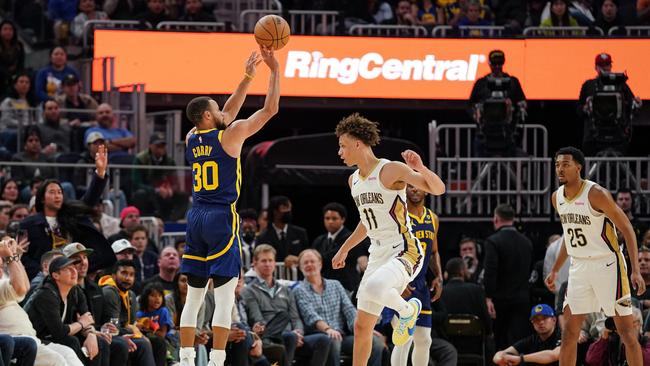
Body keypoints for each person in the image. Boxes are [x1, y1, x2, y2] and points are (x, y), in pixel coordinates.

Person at [178, 45, 279, 366]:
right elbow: (269, 111)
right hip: (221, 217)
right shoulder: (230, 136)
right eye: (216, 109)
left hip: (195, 216)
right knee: (223, 297)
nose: (223, 111)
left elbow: (226, 114)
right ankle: (217, 360)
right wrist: (274, 71)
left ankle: (185, 357)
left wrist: (248, 77)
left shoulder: (192, 136)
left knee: (193, 297)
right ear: (209, 115)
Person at [331, 113, 445, 366]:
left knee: (373, 287)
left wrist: (421, 168)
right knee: (362, 326)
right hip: (378, 254)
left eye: (343, 145)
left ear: (358, 143)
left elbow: (438, 189)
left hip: (404, 250)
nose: (340, 152)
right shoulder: (353, 180)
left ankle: (407, 310)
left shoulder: (390, 169)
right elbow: (366, 221)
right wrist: (344, 249)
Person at [545, 146, 646, 366]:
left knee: (627, 333)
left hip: (607, 265)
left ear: (579, 167)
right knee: (569, 332)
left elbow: (627, 228)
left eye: (565, 164)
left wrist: (636, 269)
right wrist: (554, 269)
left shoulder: (596, 194)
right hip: (579, 267)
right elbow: (569, 237)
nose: (560, 169)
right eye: (557, 165)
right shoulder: (557, 198)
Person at [20, 144, 114, 280]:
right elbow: (22, 255)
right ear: (41, 199)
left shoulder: (70, 216)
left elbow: (88, 201)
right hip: (41, 279)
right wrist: (42, 273)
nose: (57, 196)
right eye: (52, 192)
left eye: (60, 192)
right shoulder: (28, 224)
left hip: (71, 274)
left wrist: (100, 173)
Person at [242, 245, 331, 366]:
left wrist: (298, 332)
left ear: (274, 263)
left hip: (292, 335)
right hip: (269, 336)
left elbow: (295, 317)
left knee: (323, 339)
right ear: (254, 263)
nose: (267, 264)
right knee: (289, 334)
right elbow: (257, 318)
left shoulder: (285, 290)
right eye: (263, 261)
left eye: (270, 260)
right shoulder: (249, 290)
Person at [293, 249, 384, 366]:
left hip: (341, 336)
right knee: (333, 339)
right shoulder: (299, 290)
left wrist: (364, 329)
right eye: (305, 263)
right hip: (318, 336)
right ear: (300, 267)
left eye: (312, 261)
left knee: (374, 341)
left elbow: (349, 310)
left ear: (320, 263)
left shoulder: (335, 285)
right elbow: (310, 315)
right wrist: (327, 329)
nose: (309, 264)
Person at [391, 184, 443, 366]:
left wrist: (438, 276)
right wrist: (397, 281)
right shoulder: (398, 214)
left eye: (418, 186)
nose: (414, 189)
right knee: (404, 338)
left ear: (427, 190)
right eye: (410, 186)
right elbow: (388, 250)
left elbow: (433, 251)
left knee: (424, 339)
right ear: (404, 189)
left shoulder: (433, 218)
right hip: (400, 283)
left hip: (421, 285)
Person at [26, 255, 109, 365]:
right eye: (68, 269)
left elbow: (87, 317)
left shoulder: (75, 290)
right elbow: (59, 332)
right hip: (35, 338)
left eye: (74, 268)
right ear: (56, 275)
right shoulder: (45, 294)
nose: (74, 272)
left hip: (59, 335)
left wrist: (91, 334)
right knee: (71, 341)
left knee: (100, 342)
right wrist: (81, 323)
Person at [484, 203, 534, 350]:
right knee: (519, 343)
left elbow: (490, 271)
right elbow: (530, 271)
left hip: (501, 301)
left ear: (496, 219)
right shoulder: (527, 242)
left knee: (501, 342)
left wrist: (488, 297)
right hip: (522, 300)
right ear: (512, 219)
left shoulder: (493, 241)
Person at [577, 53, 641, 155]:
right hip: (594, 136)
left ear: (611, 66)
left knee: (617, 168)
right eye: (601, 65)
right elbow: (578, 109)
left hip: (618, 135)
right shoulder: (588, 85)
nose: (605, 68)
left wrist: (636, 103)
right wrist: (586, 108)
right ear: (596, 67)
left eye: (607, 65)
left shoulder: (621, 85)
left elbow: (632, 106)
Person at [99, 259, 159, 365]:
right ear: (113, 275)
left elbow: (131, 324)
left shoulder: (130, 294)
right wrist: (136, 333)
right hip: (105, 334)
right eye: (124, 273)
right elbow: (114, 328)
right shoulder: (109, 292)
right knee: (143, 344)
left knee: (158, 341)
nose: (128, 278)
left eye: (131, 275)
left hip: (121, 333)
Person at [468, 50, 527, 157]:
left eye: (499, 64)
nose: (497, 67)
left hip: (508, 132)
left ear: (503, 63)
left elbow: (522, 102)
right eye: (494, 64)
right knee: (479, 162)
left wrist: (516, 108)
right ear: (489, 64)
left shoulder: (513, 82)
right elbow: (470, 104)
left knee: (511, 163)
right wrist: (475, 113)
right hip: (485, 132)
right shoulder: (481, 83)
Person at [311, 202, 368, 293]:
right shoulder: (319, 240)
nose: (330, 221)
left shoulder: (352, 238)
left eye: (334, 218)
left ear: (342, 219)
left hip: (346, 287)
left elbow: (330, 257)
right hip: (324, 287)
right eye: (327, 218)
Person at [492, 304, 561, 365]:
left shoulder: (562, 336)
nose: (541, 322)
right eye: (536, 319)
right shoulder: (532, 340)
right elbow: (499, 354)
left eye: (545, 318)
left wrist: (521, 359)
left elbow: (553, 355)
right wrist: (500, 359)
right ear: (532, 323)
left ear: (554, 320)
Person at [586, 308, 650, 365]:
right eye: (619, 323)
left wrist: (630, 339)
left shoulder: (646, 342)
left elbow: (646, 362)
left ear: (638, 324)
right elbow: (591, 360)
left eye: (627, 323)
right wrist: (603, 339)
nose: (622, 326)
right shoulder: (613, 340)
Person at [256, 195, 310, 264]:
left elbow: (308, 255)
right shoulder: (262, 237)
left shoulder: (300, 233)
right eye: (284, 208)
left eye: (289, 208)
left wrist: (298, 259)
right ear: (275, 211)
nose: (288, 211)